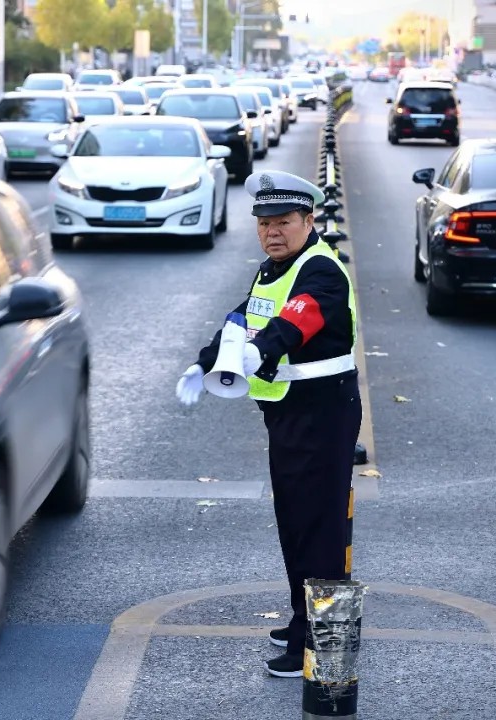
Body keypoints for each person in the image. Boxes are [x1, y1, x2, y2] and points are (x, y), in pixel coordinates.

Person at [175, 170, 362, 679]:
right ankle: (304, 620)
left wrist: (262, 350)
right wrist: (204, 361)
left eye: (283, 222)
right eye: (264, 223)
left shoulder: (320, 270)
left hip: (322, 413)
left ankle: (321, 646)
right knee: (295, 524)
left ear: (309, 220)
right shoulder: (275, 269)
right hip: (289, 414)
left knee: (319, 530)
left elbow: (296, 319)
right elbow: (243, 320)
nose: (272, 232)